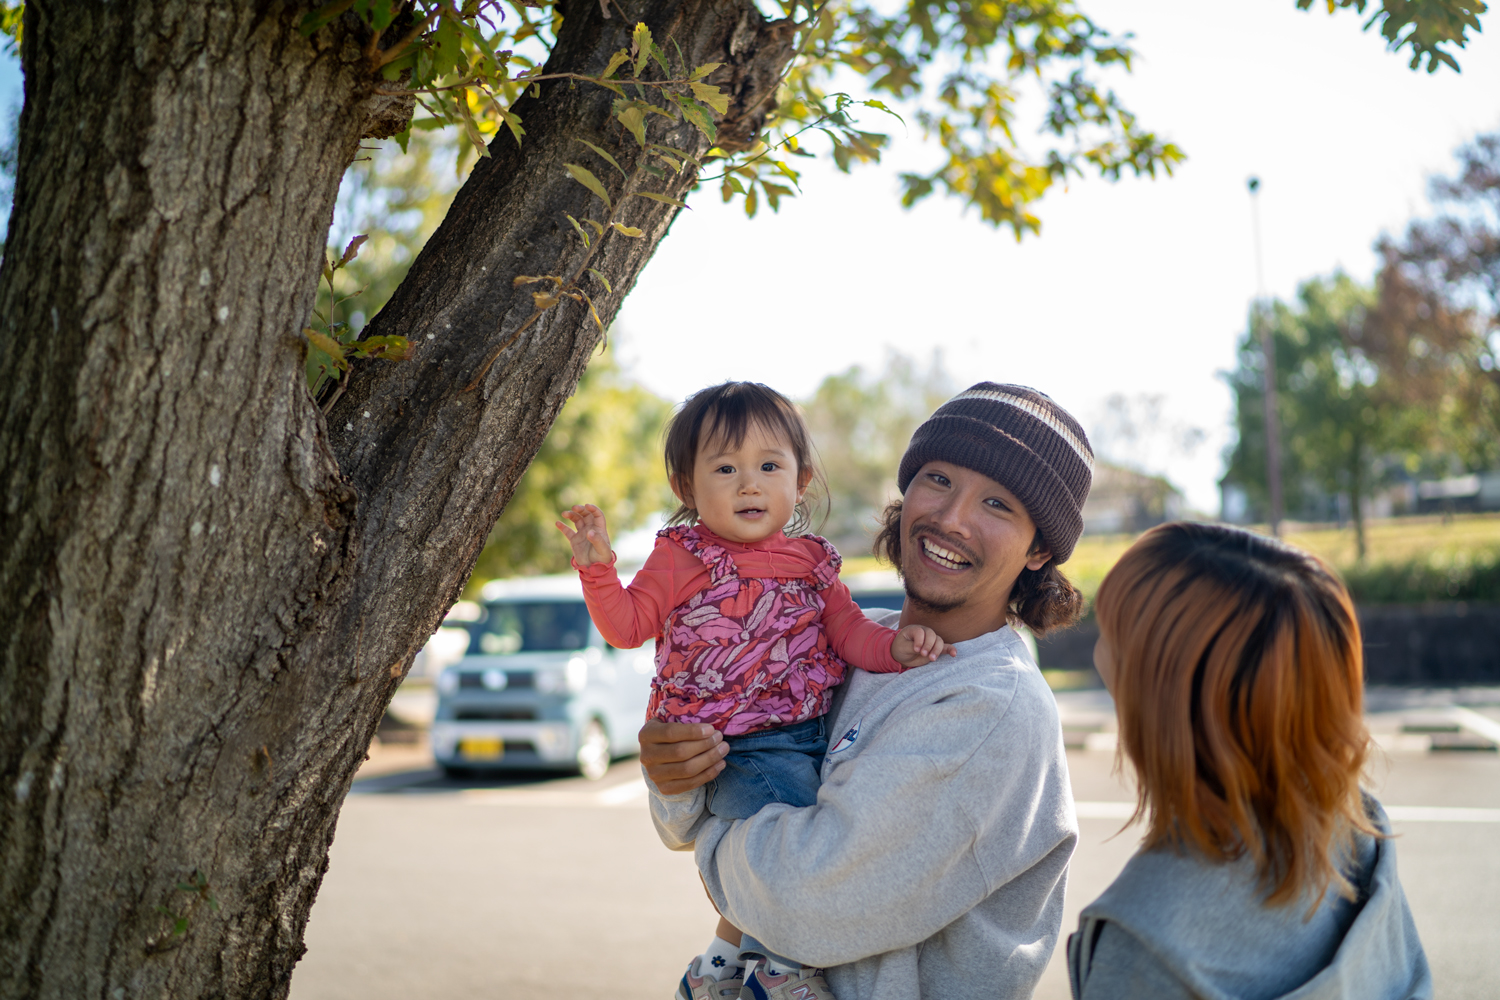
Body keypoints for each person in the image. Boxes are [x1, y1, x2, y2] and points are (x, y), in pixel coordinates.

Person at [640, 383, 1095, 1000]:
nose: (951, 518)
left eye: (996, 503)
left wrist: (710, 838)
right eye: (937, 480)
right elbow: (722, 782)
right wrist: (674, 775)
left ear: (1039, 548)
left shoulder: (991, 706)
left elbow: (803, 901)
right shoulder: (846, 641)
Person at [556, 381, 956, 1000]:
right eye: (725, 467)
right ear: (686, 486)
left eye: (769, 466)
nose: (749, 483)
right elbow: (627, 626)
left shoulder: (812, 563)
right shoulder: (680, 557)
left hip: (806, 737)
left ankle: (718, 966)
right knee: (794, 834)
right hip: (733, 744)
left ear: (801, 481)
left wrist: (896, 649)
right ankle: (783, 967)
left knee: (787, 835)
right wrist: (597, 570)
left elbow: (849, 633)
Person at [1068, 522, 1432, 1000]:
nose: (1100, 653)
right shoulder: (1356, 828)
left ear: (1161, 690)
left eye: (1112, 631)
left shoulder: (1144, 943)